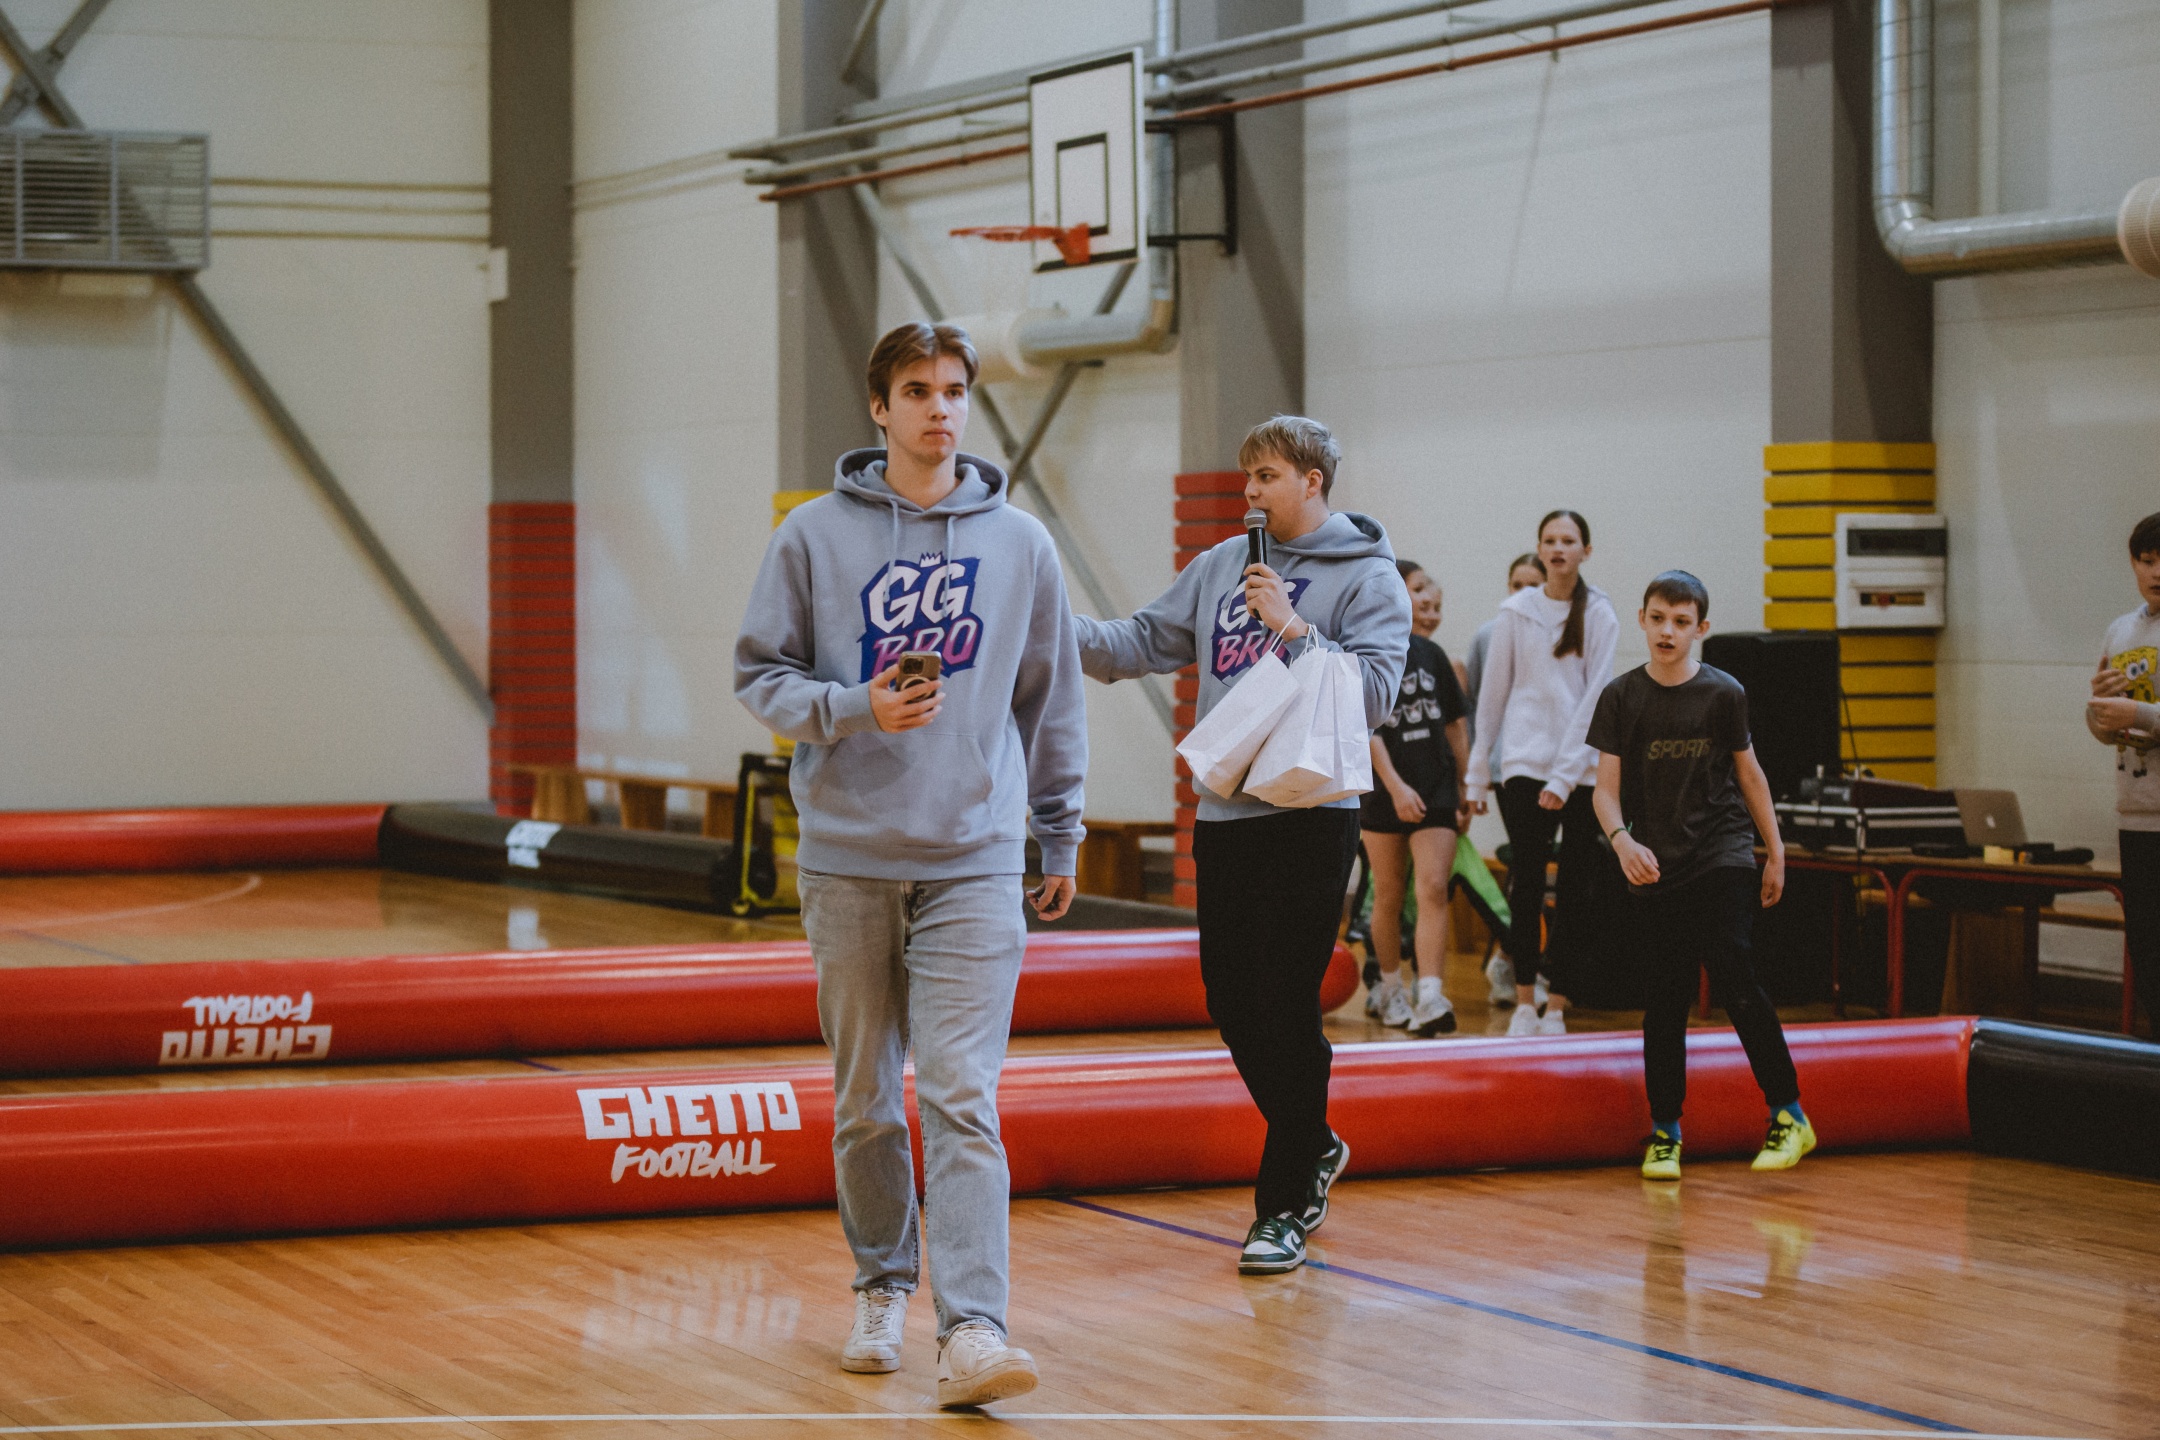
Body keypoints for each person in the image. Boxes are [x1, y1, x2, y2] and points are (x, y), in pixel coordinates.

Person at [734, 321, 1087, 1408]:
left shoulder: (1021, 544)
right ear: (880, 407)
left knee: (962, 1095)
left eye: (954, 391)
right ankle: (882, 1284)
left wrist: (1059, 828)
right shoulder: (812, 536)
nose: (941, 408)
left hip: (975, 858)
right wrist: (854, 707)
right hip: (848, 860)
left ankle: (973, 1329)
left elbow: (1051, 698)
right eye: (919, 391)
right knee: (865, 1102)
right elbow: (759, 676)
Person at [1073, 415, 1409, 1277]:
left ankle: (1282, 1205)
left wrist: (1296, 629)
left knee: (1288, 1004)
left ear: (1312, 481)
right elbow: (1141, 642)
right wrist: (1053, 630)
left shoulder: (1370, 576)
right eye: (1246, 476)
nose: (1249, 492)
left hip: (1311, 815)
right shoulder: (1223, 563)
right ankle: (1315, 1140)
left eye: (1266, 476)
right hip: (1227, 813)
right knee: (1231, 999)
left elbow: (1374, 697)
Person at [1587, 570, 1811, 1179]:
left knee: (1734, 971)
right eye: (1658, 618)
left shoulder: (1723, 693)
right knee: (1665, 996)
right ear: (1642, 619)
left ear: (1700, 629)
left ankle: (1789, 1114)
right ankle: (1665, 1132)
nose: (1668, 631)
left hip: (1722, 852)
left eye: (1681, 622)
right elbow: (1604, 792)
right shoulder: (1621, 697)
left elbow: (1750, 775)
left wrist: (1775, 850)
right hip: (1658, 862)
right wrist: (1622, 841)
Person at [1464, 512, 1618, 1036]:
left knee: (1576, 888)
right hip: (1525, 765)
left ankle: (1557, 1005)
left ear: (1585, 551)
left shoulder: (1599, 613)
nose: (1558, 548)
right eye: (1550, 540)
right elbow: (1493, 695)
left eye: (1568, 541)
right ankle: (1525, 1001)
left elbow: (1595, 700)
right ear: (1539, 548)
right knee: (1526, 884)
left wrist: (1565, 777)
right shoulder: (1516, 611)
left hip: (1581, 771)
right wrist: (1477, 772)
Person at [1363, 560, 1471, 1037]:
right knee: (1388, 893)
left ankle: (1430, 993)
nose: (1428, 596)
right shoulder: (1369, 651)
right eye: (1418, 588)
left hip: (1435, 788)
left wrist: (1466, 786)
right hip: (1384, 790)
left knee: (1432, 887)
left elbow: (1455, 725)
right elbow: (1366, 727)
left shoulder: (1432, 654)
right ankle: (1390, 988)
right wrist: (1395, 786)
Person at [1463, 551, 1547, 1007]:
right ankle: (1512, 963)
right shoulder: (1488, 635)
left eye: (1534, 585)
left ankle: (1516, 958)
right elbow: (1478, 705)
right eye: (1517, 585)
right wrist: (1478, 770)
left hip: (1555, 768)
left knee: (1533, 866)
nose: (1525, 593)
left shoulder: (1562, 633)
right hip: (1507, 768)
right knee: (1527, 865)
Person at [2087, 510, 2160, 1038]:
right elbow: (2101, 726)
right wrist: (2100, 713)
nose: (2157, 572)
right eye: (2148, 560)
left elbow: (2138, 716)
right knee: (2148, 949)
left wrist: (2139, 714)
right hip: (2136, 814)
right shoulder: (2121, 629)